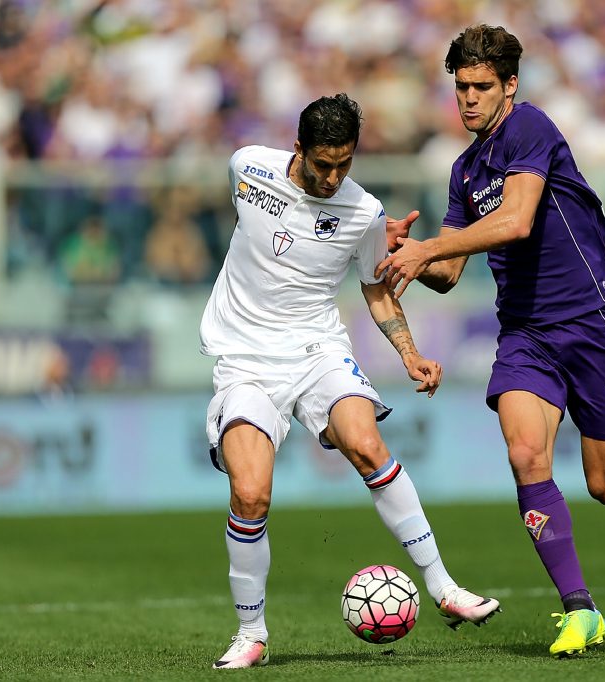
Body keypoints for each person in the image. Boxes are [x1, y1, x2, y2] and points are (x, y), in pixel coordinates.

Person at [378, 25, 605, 659]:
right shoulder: (463, 170)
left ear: (509, 86)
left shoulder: (530, 128)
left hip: (594, 322)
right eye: (461, 88)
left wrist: (430, 248)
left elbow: (516, 221)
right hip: (526, 334)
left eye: (482, 86)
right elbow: (449, 274)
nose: (470, 98)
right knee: (526, 454)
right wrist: (400, 252)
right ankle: (581, 611)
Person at [199, 94, 500, 670]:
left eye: (345, 164)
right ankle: (251, 634)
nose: (334, 177)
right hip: (245, 360)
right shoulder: (248, 168)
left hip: (317, 352)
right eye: (323, 165)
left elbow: (376, 287)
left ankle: (444, 588)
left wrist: (410, 356)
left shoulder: (364, 212)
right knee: (251, 493)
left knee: (366, 444)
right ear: (298, 150)